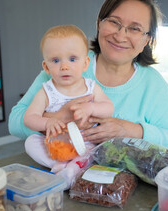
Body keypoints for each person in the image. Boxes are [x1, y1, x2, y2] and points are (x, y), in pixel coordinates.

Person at [9, 0, 168, 156]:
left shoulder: (153, 83)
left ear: (147, 40)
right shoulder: (68, 63)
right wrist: (60, 118)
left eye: (135, 28)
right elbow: (15, 122)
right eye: (114, 22)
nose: (120, 35)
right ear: (99, 24)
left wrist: (128, 129)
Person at [23, 25, 114, 172]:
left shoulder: (91, 87)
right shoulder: (46, 91)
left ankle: (71, 168)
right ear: (46, 67)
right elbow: (29, 118)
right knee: (30, 143)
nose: (64, 66)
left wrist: (91, 107)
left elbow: (109, 107)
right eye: (56, 60)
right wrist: (48, 122)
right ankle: (58, 164)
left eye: (72, 59)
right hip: (55, 144)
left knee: (100, 147)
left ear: (85, 64)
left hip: (85, 142)